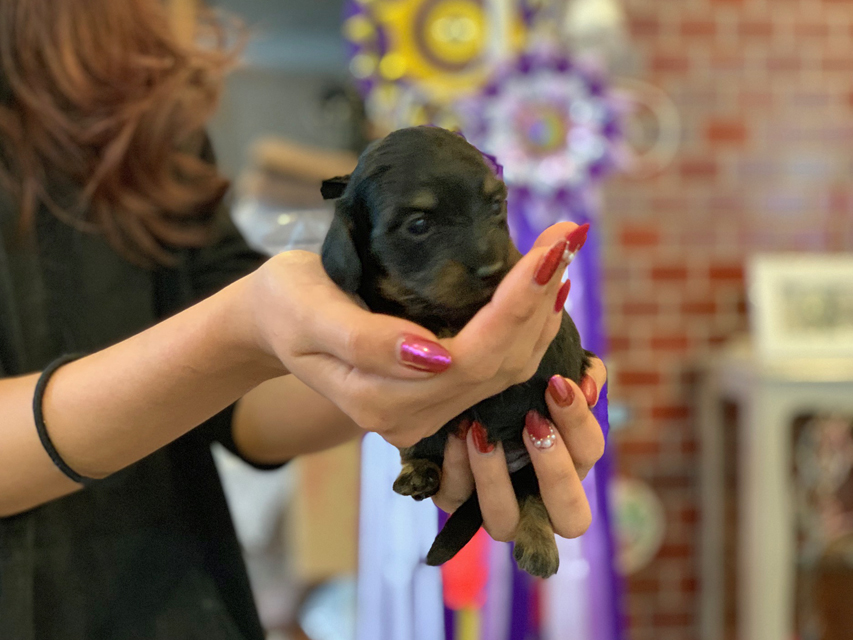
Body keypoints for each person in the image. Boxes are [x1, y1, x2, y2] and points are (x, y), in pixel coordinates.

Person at [0, 1, 608, 639]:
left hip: (177, 601)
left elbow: (244, 409)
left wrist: (419, 372)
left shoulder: (144, 119)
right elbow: (238, 337)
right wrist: (243, 327)